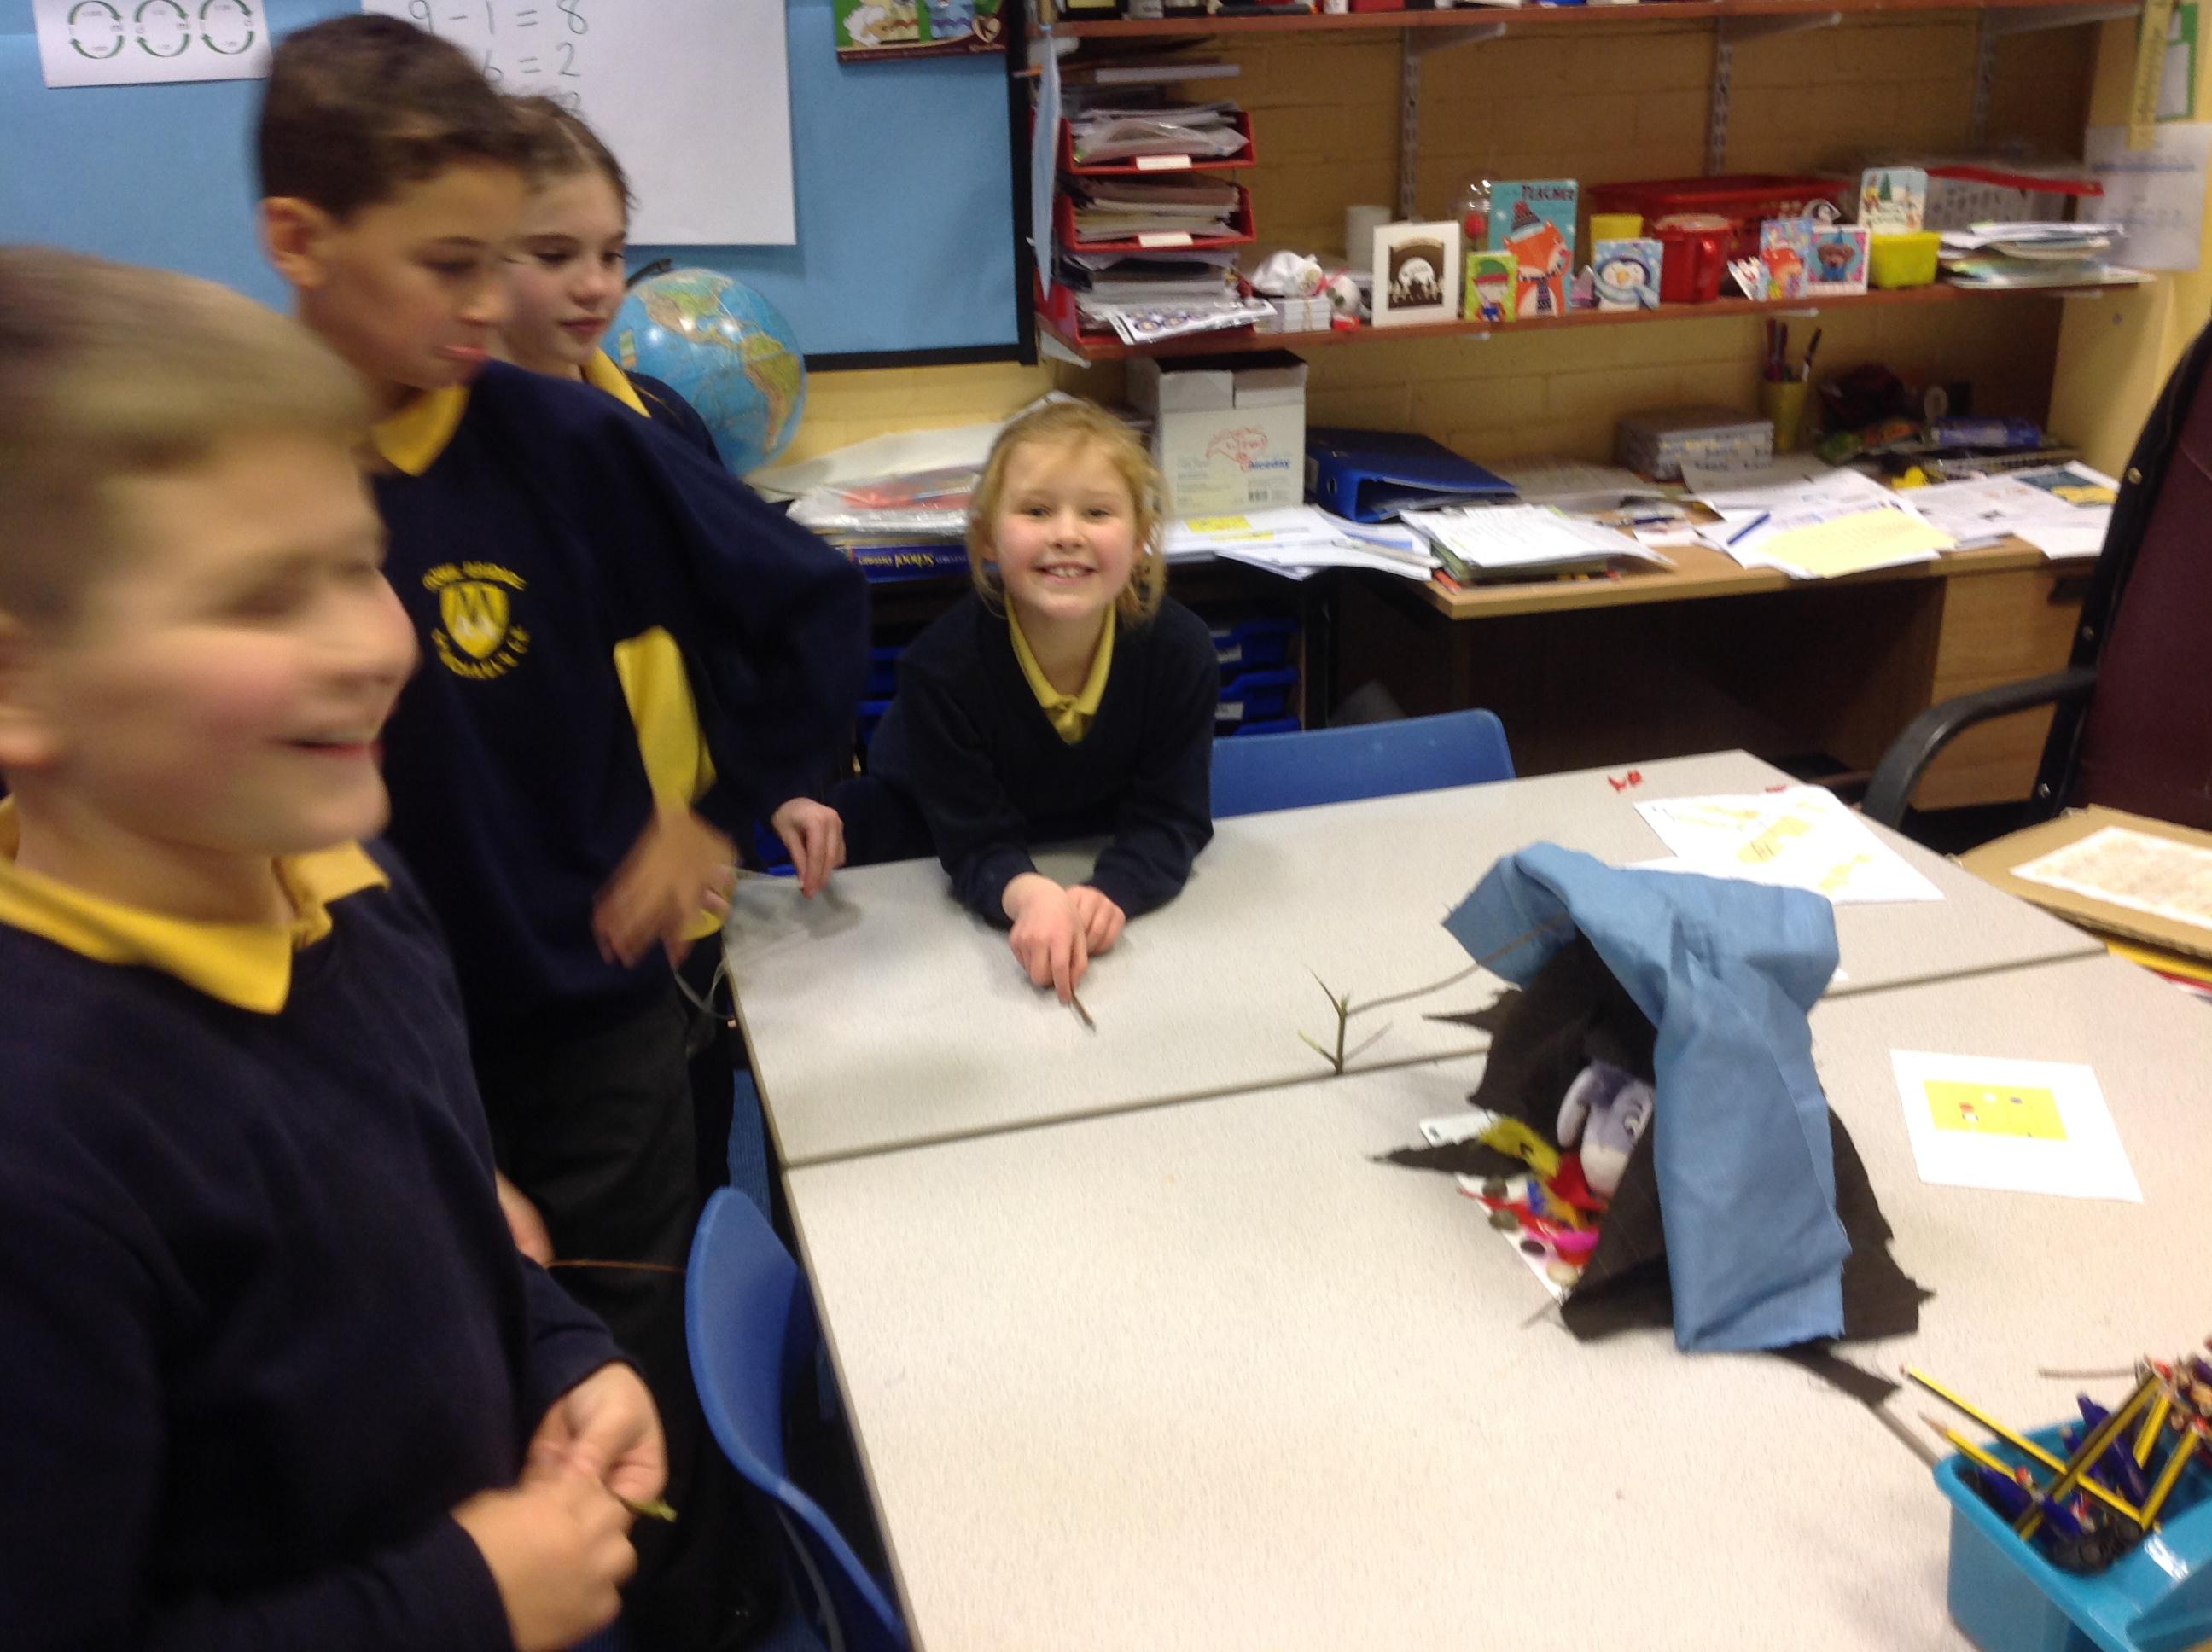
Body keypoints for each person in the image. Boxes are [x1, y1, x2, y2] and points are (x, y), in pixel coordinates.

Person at [254, 17, 867, 1645]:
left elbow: (805, 602)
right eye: (448, 264)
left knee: (630, 1391)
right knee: (433, 1392)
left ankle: (701, 1619)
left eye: (499, 261)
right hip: (356, 1037)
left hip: (580, 1025)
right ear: (299, 241)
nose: (488, 305)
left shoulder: (564, 442)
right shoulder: (236, 457)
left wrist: (713, 814)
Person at [0, 246, 661, 1652]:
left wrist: (554, 1349)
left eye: (360, 563)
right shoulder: (41, 1152)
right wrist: (463, 1600)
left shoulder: (346, 879)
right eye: (259, 597)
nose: (371, 646)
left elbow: (443, 1221)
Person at [855, 398, 1219, 1003]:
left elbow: (1172, 817)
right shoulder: (940, 670)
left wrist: (1114, 891)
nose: (1067, 535)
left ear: (1140, 540)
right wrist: (1026, 892)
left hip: (1085, 847)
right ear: (987, 539)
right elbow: (971, 842)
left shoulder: (1181, 654)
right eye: (1036, 510)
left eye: (1097, 512)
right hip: (928, 848)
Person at [498, 96, 721, 462]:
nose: (596, 287)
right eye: (554, 256)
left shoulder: (667, 419)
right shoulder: (441, 454)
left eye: (610, 256)